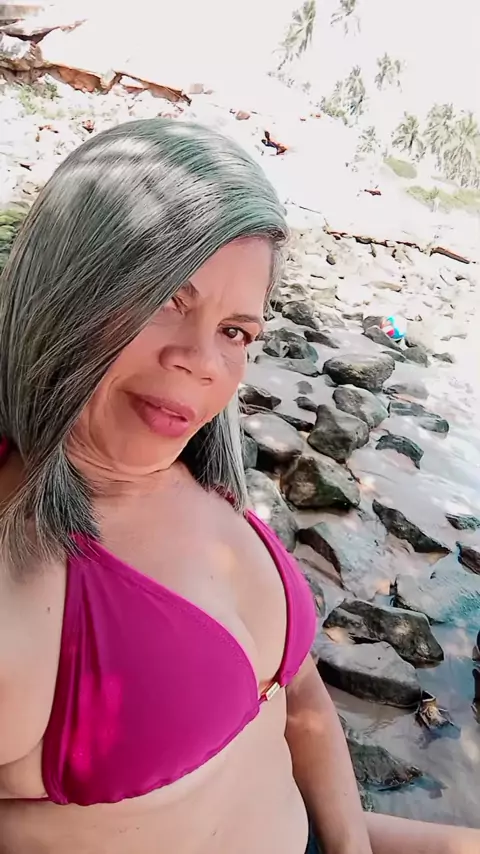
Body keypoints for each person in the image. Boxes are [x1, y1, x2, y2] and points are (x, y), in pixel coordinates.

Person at [0, 118, 478, 854]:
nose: (201, 360)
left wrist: (348, 845)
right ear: (66, 291)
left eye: (235, 332)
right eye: (166, 298)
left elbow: (300, 697)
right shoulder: (22, 590)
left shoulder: (198, 476)